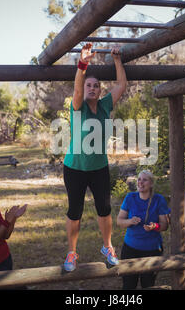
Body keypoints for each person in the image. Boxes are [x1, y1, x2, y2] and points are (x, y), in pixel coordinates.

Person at [62, 43, 127, 272]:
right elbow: (77, 91)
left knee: (104, 208)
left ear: (100, 91)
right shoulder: (77, 107)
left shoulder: (104, 105)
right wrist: (83, 63)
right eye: (89, 84)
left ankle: (108, 247)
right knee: (75, 210)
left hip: (99, 167)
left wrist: (117, 60)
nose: (92, 88)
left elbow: (121, 85)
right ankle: (71, 252)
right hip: (75, 168)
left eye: (96, 86)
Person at [117, 170, 170, 289]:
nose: (140, 182)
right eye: (139, 179)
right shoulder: (130, 197)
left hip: (151, 250)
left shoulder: (159, 199)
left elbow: (164, 225)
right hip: (130, 249)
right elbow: (119, 221)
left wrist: (154, 227)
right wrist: (130, 221)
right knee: (128, 285)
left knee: (148, 285)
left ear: (151, 183)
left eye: (144, 180)